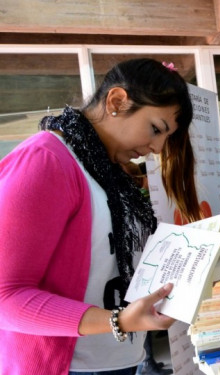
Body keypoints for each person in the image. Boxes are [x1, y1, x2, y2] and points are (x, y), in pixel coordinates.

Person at [0, 58, 202, 375]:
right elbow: (6, 296)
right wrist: (116, 320)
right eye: (156, 129)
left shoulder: (111, 174)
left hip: (119, 358)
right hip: (66, 366)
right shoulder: (46, 160)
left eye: (166, 137)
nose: (158, 147)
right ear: (117, 101)